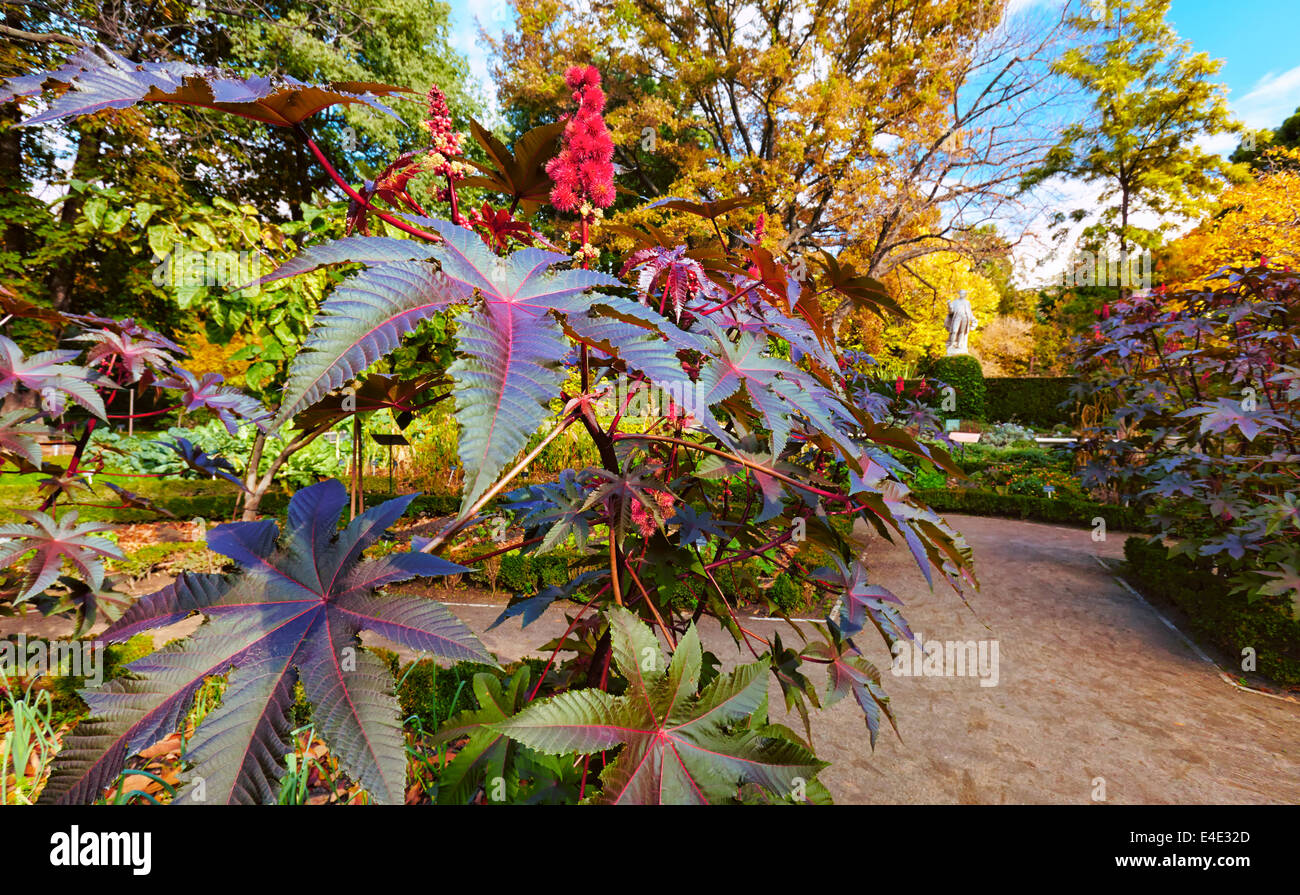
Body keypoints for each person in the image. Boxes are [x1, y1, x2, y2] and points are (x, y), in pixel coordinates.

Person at [944, 290, 977, 354]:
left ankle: (959, 345)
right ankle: (952, 344)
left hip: (965, 317)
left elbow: (969, 312)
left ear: (965, 294)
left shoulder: (967, 302)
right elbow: (951, 312)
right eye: (961, 293)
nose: (962, 294)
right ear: (959, 294)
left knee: (962, 332)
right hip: (957, 317)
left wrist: (973, 319)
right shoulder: (955, 302)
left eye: (964, 293)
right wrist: (949, 304)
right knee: (954, 331)